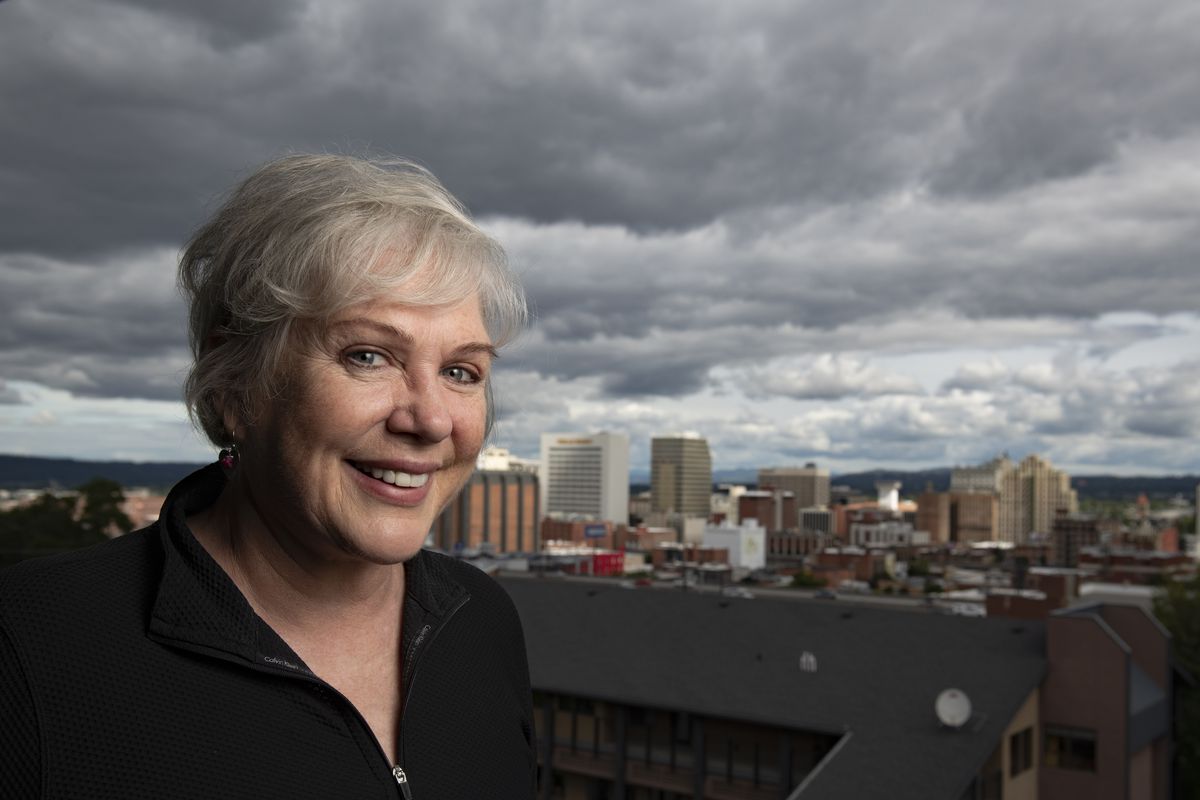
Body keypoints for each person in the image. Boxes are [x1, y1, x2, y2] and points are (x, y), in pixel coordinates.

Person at [0, 155, 537, 798]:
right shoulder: (30, 650)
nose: (429, 420)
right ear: (236, 385)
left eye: (461, 372)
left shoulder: (482, 622)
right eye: (367, 355)